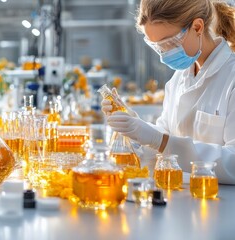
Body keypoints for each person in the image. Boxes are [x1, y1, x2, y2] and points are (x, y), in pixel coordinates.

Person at [101, 0, 235, 184]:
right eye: (157, 46)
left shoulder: (231, 78)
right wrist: (136, 127)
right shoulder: (178, 79)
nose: (164, 54)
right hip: (180, 199)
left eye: (169, 43)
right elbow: (165, 138)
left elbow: (233, 163)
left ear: (197, 27)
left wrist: (160, 140)